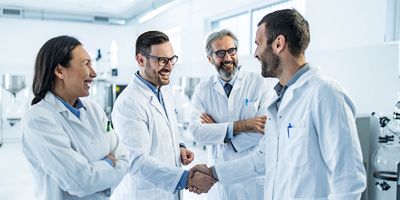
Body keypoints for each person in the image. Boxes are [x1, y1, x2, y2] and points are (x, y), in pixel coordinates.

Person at [190, 9, 367, 199]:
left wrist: (219, 131)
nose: (255, 53)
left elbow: (349, 182)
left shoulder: (325, 93)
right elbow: (260, 160)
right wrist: (213, 172)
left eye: (258, 44)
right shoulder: (281, 99)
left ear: (278, 44)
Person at [21, 35, 129, 200]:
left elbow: (123, 157)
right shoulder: (39, 119)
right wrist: (109, 163)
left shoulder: (95, 111)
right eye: (86, 64)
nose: (94, 73)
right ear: (59, 71)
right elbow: (80, 181)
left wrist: (97, 173)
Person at [111, 30, 215, 200]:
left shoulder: (163, 92)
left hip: (168, 191)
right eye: (161, 60)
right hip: (146, 193)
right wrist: (186, 179)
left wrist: (179, 147)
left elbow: (166, 130)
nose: (169, 66)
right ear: (141, 60)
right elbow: (137, 161)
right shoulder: (128, 103)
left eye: (172, 59)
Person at [189, 29, 272, 200]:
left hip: (254, 180)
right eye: (220, 53)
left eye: (231, 51)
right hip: (221, 180)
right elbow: (197, 131)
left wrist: (219, 133)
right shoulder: (203, 89)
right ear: (210, 58)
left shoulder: (259, 83)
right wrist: (243, 126)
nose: (227, 58)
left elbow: (265, 129)